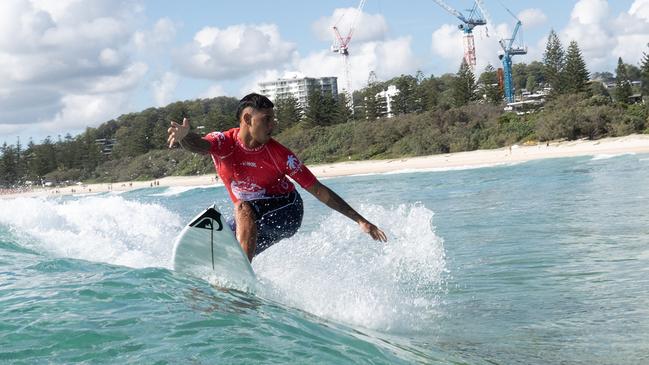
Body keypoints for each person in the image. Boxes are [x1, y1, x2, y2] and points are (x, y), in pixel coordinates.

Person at [167, 93, 387, 262]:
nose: (273, 124)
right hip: (255, 220)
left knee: (243, 209)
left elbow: (319, 191)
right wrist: (185, 138)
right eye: (267, 119)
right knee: (217, 246)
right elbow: (200, 145)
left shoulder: (280, 155)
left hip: (287, 212)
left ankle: (241, 273)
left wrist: (361, 220)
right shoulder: (224, 143)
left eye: (273, 119)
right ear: (247, 119)